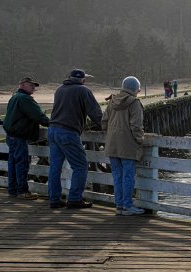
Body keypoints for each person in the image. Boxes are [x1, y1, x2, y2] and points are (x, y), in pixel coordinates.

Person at [48, 69, 102, 209]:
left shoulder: (59, 90)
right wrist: (105, 126)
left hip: (53, 130)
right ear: (83, 80)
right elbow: (95, 113)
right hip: (68, 131)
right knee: (80, 166)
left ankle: (54, 199)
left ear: (69, 78)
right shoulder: (83, 90)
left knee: (55, 167)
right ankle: (74, 199)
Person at [102, 76, 145, 216]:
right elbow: (136, 126)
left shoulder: (112, 101)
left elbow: (104, 122)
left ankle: (119, 205)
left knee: (117, 176)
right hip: (127, 146)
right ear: (135, 89)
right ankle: (127, 206)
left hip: (112, 145)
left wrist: (110, 136)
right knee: (128, 176)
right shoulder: (134, 103)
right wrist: (140, 140)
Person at [3, 77, 50, 200]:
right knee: (22, 163)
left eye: (34, 86)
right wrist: (53, 123)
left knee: (12, 163)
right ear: (22, 85)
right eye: (31, 85)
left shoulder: (14, 97)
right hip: (19, 136)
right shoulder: (25, 99)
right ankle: (22, 191)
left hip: (11, 135)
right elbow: (38, 116)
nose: (34, 88)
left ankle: (12, 190)